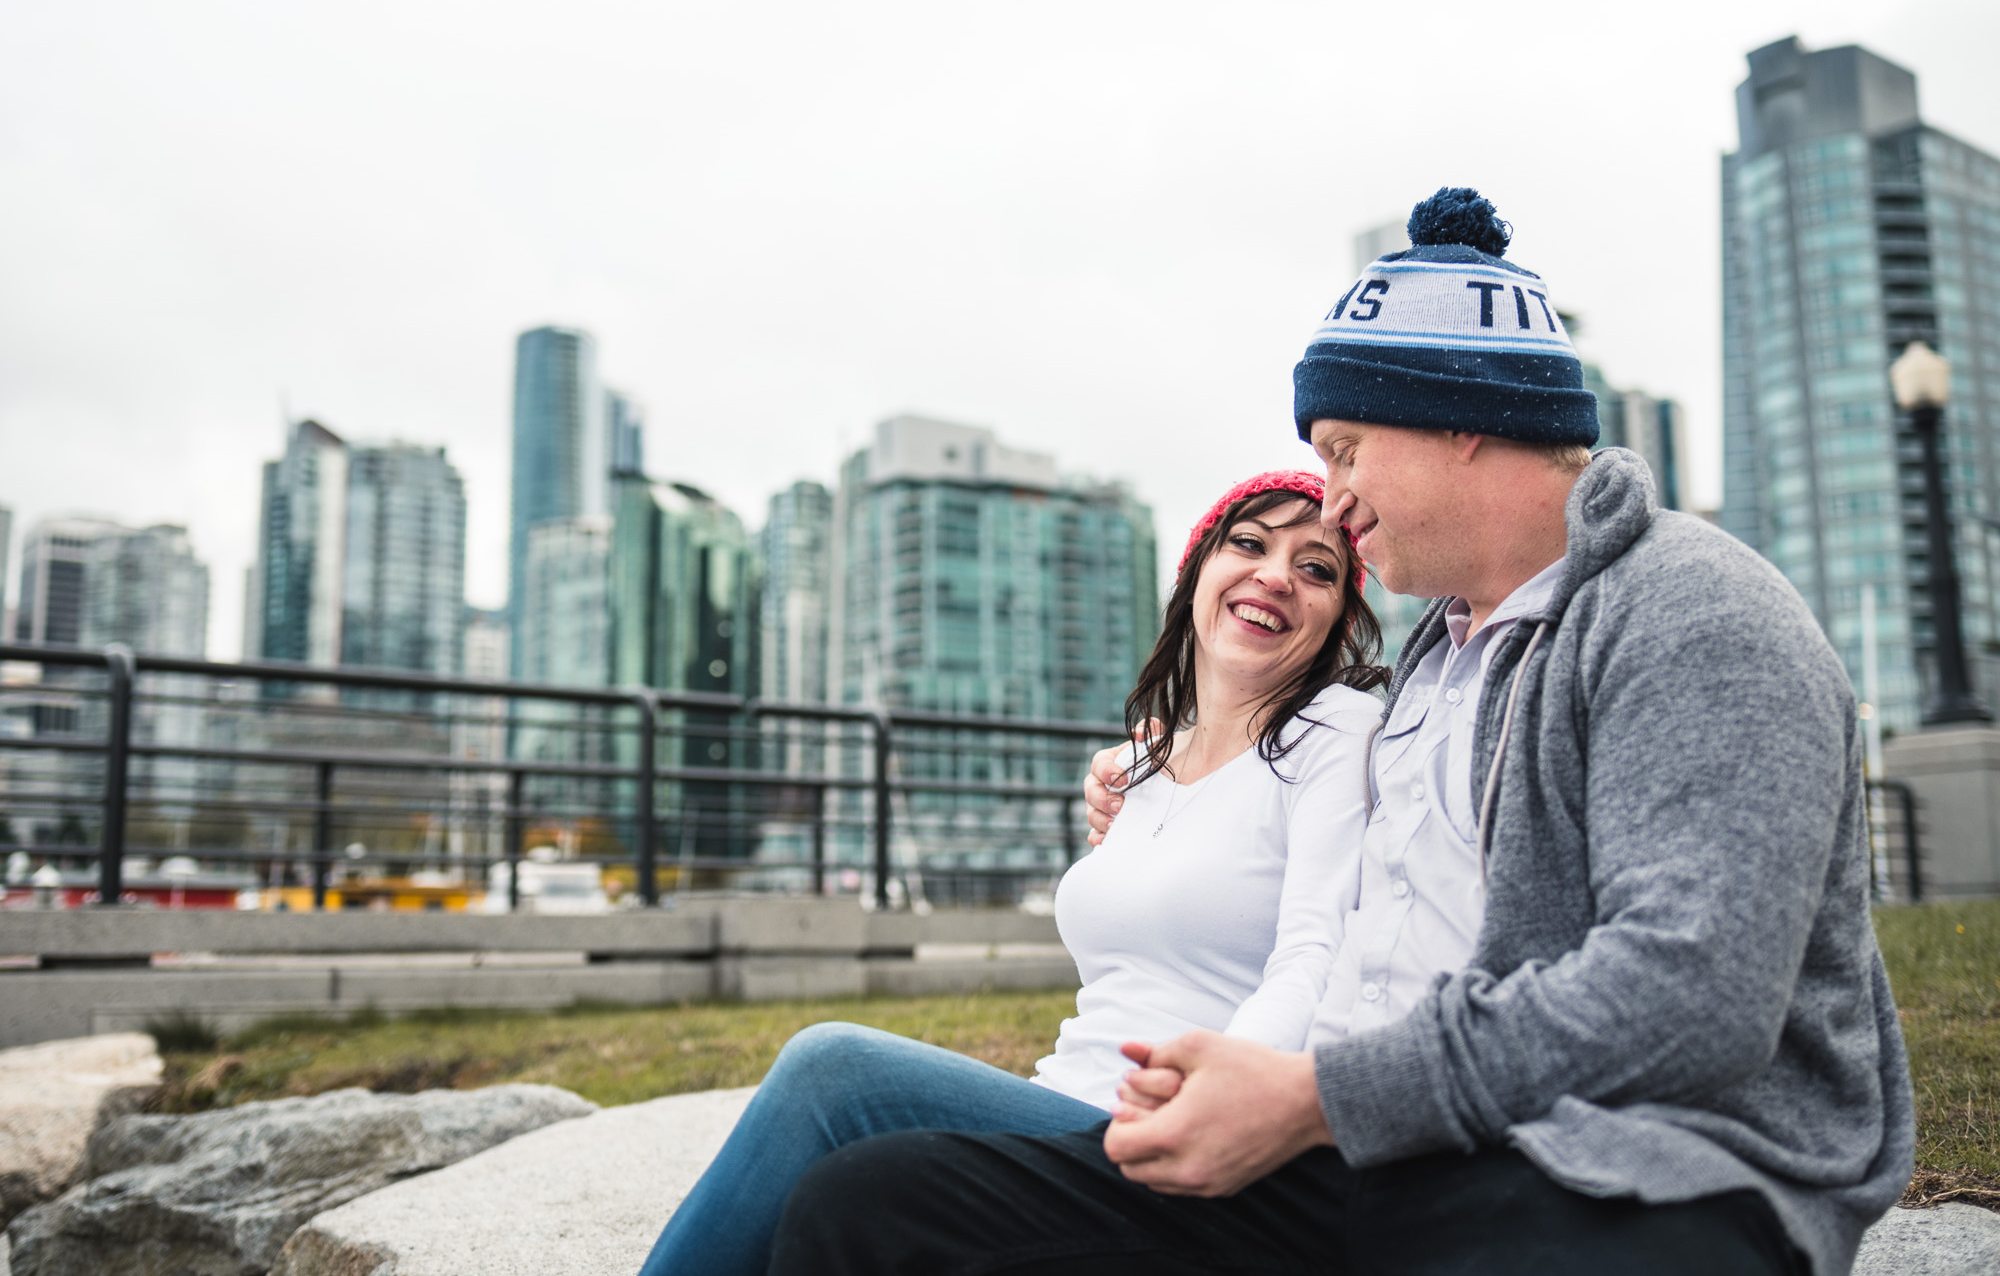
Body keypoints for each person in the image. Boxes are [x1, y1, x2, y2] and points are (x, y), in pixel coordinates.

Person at [765, 188, 1915, 1276]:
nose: (1330, 498)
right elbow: (1290, 838)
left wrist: (1313, 1098)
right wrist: (1145, 791)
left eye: (1345, 450)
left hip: (1629, 1176)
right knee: (870, 1205)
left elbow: (1690, 997)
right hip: (1385, 1162)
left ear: (1456, 422)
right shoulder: (1434, 665)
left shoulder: (1691, 610)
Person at [637, 470, 1389, 1276]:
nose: (1276, 574)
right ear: (1197, 570)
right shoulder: (1139, 766)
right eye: (1248, 543)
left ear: (1339, 621)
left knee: (832, 1071)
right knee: (829, 1181)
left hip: (1179, 1124)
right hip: (1062, 1100)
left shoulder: (1334, 730)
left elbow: (1313, 951)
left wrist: (1218, 1095)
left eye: (1317, 568)